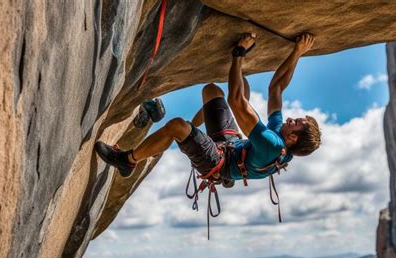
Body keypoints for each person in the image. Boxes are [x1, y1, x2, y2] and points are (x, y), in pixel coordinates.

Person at [95, 33, 321, 186]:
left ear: (292, 137)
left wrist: (238, 55)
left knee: (177, 126)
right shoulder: (279, 136)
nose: (290, 118)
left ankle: (128, 161)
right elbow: (276, 88)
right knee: (212, 91)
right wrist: (297, 52)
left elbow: (237, 101)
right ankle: (188, 135)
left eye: (295, 122)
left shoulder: (272, 145)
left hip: (218, 164)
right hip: (231, 146)